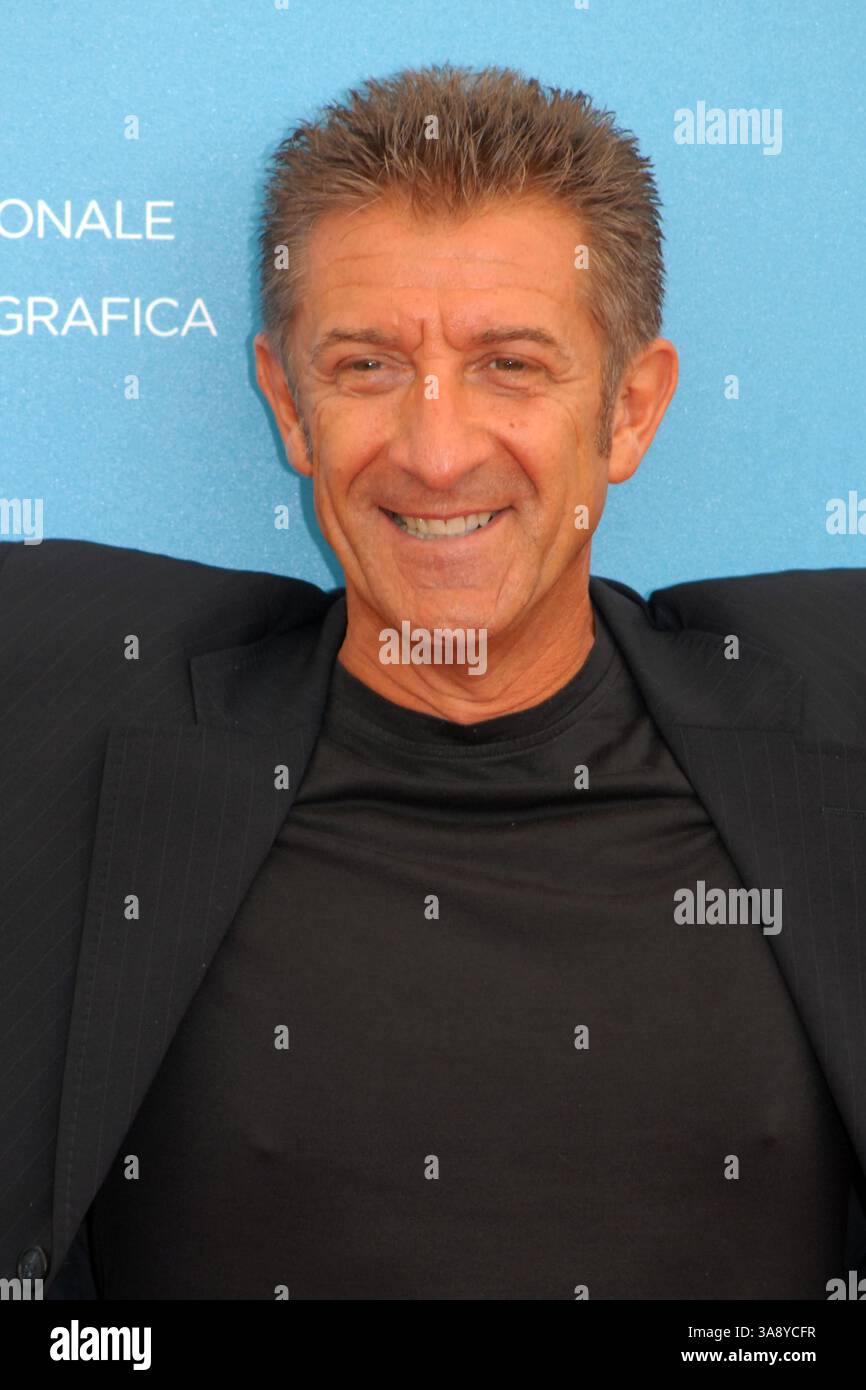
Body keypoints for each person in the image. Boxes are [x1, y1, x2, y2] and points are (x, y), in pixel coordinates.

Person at [3, 64, 865, 1301]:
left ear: (629, 410)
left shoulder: (829, 718)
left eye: (509, 364)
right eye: (362, 366)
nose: (436, 447)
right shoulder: (65, 708)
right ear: (289, 409)